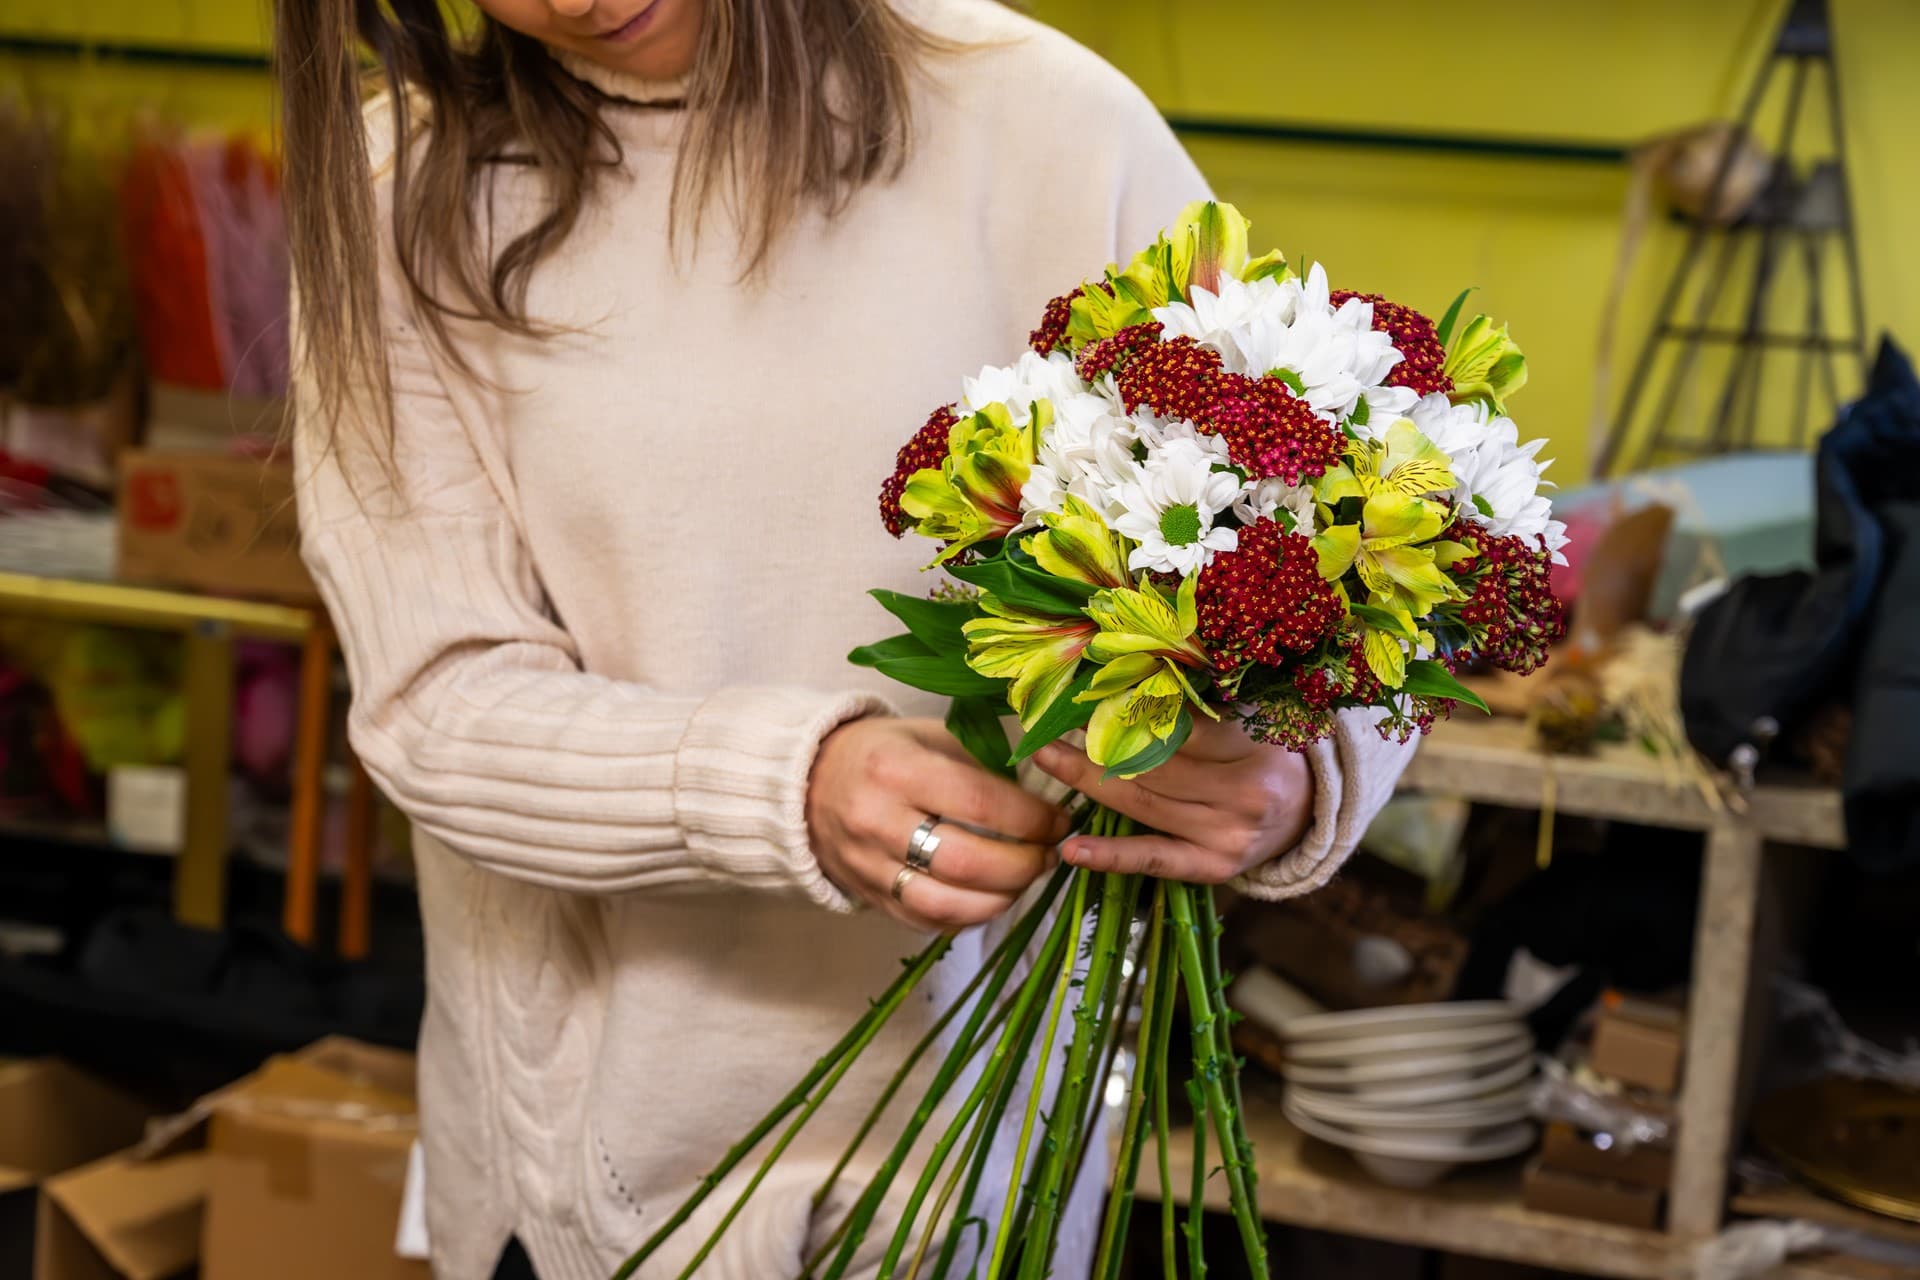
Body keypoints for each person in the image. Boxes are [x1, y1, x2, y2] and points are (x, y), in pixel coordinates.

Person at [276, 0, 1416, 1276]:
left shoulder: (1049, 122)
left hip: (987, 1170)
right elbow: (437, 701)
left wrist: (1301, 765)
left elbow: (1335, 500)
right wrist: (789, 787)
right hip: (586, 1182)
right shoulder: (400, 192)